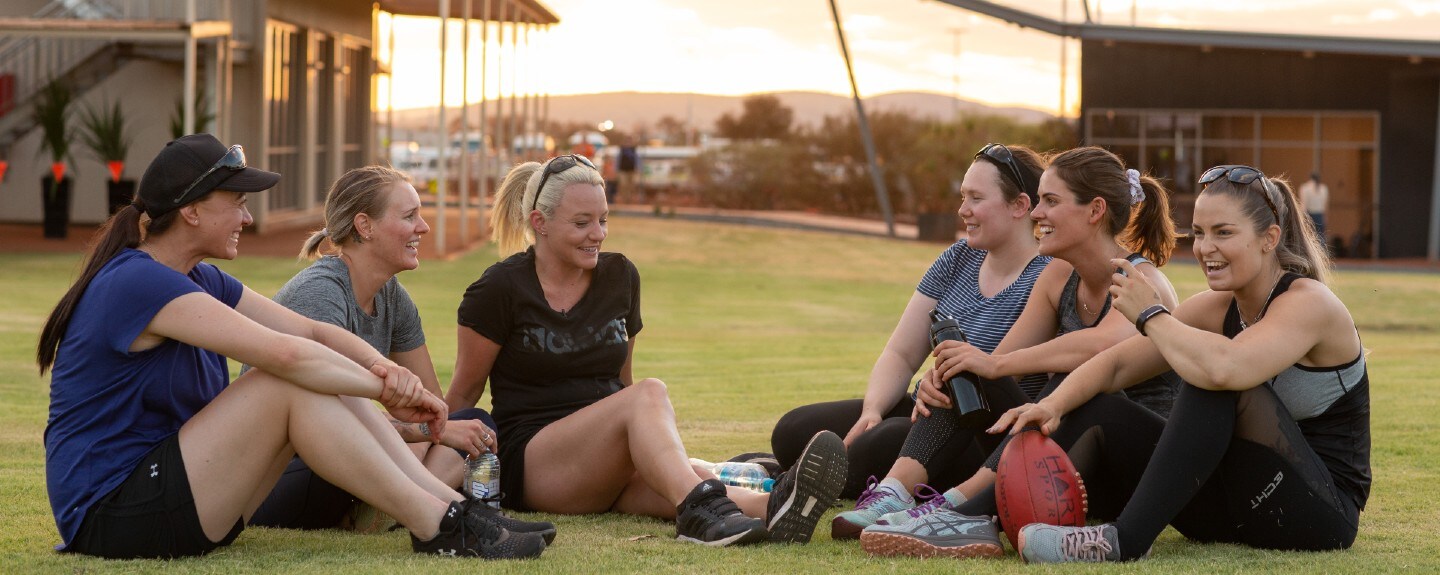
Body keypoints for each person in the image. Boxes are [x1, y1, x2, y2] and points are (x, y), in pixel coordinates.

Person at [39, 134, 545, 560]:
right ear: (191, 211)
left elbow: (310, 333)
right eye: (236, 202)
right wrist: (384, 387)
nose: (246, 216)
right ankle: (438, 524)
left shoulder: (200, 278)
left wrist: (377, 369)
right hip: (113, 513)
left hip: (180, 494)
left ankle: (453, 510)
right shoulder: (136, 282)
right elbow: (285, 356)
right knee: (286, 379)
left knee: (319, 370)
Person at [446, 154, 848, 546]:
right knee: (651, 395)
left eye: (603, 220)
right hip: (536, 464)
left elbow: (622, 382)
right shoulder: (498, 290)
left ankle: (770, 507)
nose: (598, 234)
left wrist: (649, 454)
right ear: (540, 223)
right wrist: (421, 475)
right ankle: (702, 511)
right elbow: (464, 394)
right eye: (582, 223)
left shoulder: (620, 276)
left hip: (602, 463)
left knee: (674, 479)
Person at [1002, 165, 1368, 562]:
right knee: (1100, 407)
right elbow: (1113, 367)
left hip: (1320, 515)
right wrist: (1051, 406)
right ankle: (981, 518)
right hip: (1229, 507)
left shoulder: (1309, 302)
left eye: (1223, 232)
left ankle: (1122, 541)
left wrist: (1150, 315)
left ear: (1269, 238)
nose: (1205, 247)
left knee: (1212, 378)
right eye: (1198, 233)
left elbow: (1225, 369)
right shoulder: (1216, 308)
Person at [850, 146, 1183, 550]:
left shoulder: (1142, 280)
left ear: (1094, 211)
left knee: (1070, 379)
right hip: (1057, 465)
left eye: (1050, 201)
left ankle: (956, 511)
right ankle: (892, 493)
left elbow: (1103, 345)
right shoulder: (1058, 276)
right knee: (966, 366)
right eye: (1039, 200)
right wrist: (957, 371)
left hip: (1127, 471)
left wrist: (994, 364)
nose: (1037, 213)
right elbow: (998, 366)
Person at [246, 165, 554, 542]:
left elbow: (434, 406)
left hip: (352, 457)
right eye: (410, 216)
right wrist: (430, 430)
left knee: (475, 423)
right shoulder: (320, 294)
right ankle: (437, 511)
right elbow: (334, 431)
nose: (423, 227)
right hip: (286, 475)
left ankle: (396, 510)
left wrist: (439, 428)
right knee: (437, 433)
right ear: (365, 226)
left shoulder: (392, 296)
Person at [770, 143, 1051, 503]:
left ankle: (792, 483)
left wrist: (939, 388)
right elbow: (901, 354)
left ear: (1020, 206)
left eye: (976, 198)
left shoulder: (1046, 276)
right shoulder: (957, 258)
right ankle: (795, 475)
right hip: (924, 407)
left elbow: (1000, 374)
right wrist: (872, 409)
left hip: (978, 431)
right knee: (794, 429)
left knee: (883, 441)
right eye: (963, 196)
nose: (963, 210)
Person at [1298, 172, 1329, 244]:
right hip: (1320, 214)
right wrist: (1325, 217)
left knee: (1309, 237)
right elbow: (1325, 205)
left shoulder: (1305, 187)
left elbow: (1303, 204)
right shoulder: (1324, 188)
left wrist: (1302, 217)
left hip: (1309, 214)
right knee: (1320, 237)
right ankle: (1321, 254)